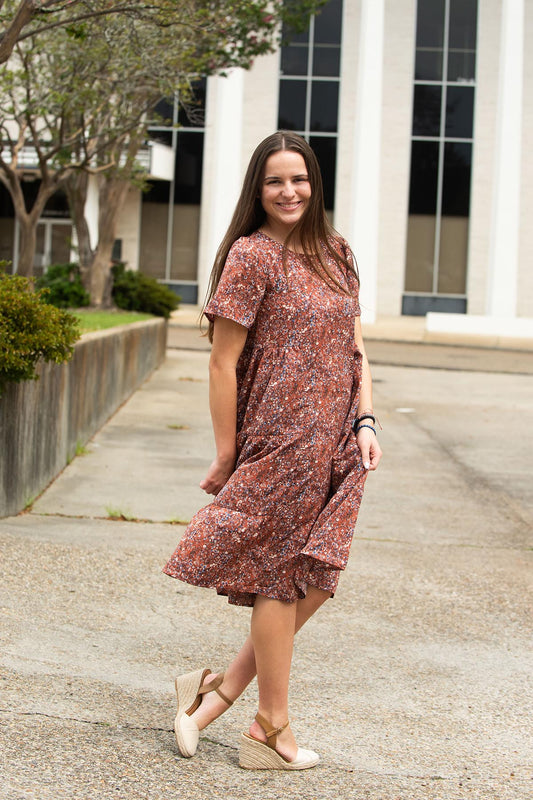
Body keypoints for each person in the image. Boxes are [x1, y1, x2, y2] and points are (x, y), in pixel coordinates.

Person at [163, 130, 382, 770]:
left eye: (300, 179)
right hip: (279, 443)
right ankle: (270, 729)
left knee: (316, 576)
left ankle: (214, 695)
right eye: (275, 181)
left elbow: (356, 345)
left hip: (340, 442)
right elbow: (222, 364)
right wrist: (228, 453)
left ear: (315, 184)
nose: (290, 192)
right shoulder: (251, 257)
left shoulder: (337, 253)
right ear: (258, 190)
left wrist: (366, 420)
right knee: (279, 582)